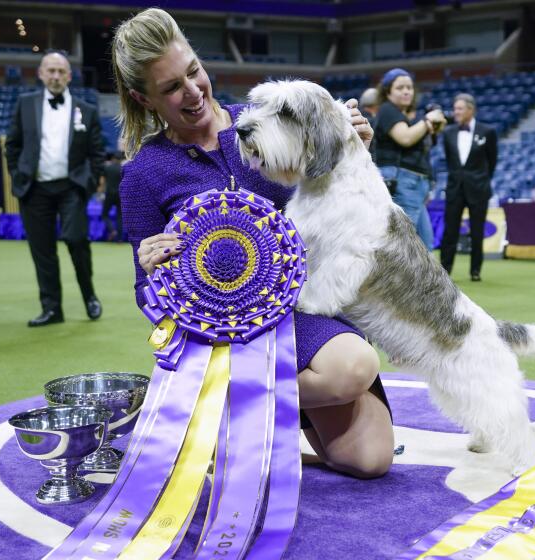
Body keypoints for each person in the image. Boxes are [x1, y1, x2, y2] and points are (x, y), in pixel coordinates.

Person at [112, 8, 392, 479]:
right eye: (172, 88)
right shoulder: (143, 173)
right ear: (144, 98)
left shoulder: (269, 117)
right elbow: (147, 292)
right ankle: (223, 399)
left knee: (369, 460)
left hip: (303, 309)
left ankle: (222, 409)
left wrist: (352, 150)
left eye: (194, 71)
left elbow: (342, 200)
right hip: (223, 335)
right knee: (352, 368)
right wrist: (154, 271)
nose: (194, 91)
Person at [5, 50, 105, 327]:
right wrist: (17, 174)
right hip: (34, 189)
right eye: (50, 70)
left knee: (76, 241)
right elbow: (12, 145)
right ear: (41, 73)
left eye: (61, 71)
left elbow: (97, 154)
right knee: (42, 250)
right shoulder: (25, 104)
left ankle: (89, 297)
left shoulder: (87, 110)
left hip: (71, 187)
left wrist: (87, 182)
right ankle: (52, 309)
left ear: (69, 76)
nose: (56, 76)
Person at [372, 67, 446, 248]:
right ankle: (391, 277)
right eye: (400, 88)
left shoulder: (407, 116)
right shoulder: (387, 110)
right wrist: (427, 121)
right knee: (403, 243)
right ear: (388, 91)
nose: (406, 91)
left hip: (416, 182)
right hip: (402, 180)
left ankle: (425, 277)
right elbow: (405, 138)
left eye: (409, 87)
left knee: (425, 242)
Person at [440, 93, 497, 282]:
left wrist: (481, 181)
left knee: (477, 231)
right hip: (455, 188)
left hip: (478, 189)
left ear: (471, 110)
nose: (455, 112)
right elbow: (450, 161)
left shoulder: (487, 131)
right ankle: (444, 271)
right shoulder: (448, 132)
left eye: (459, 109)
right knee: (450, 232)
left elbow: (492, 162)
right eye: (455, 108)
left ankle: (475, 271)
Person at [100, 150, 124, 241]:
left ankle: (112, 230)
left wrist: (101, 192)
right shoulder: (123, 169)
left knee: (104, 214)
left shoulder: (107, 168)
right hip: (120, 194)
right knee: (119, 216)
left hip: (109, 193)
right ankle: (120, 238)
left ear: (113, 158)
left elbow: (102, 181)